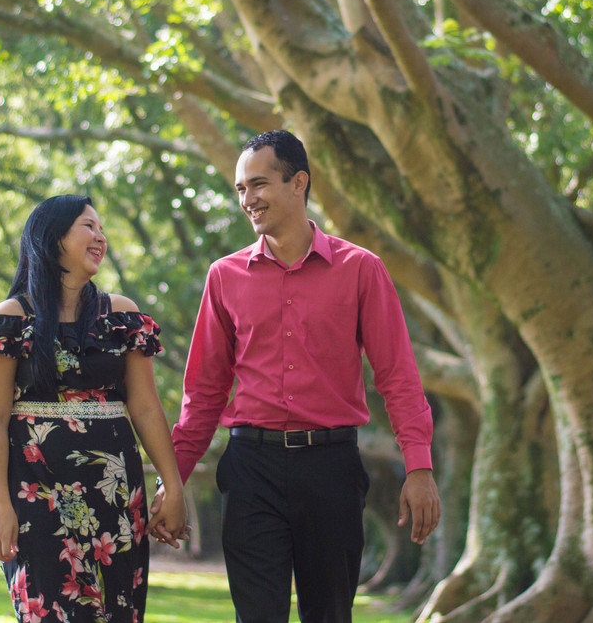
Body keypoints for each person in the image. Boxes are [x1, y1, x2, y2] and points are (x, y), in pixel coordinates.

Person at [156, 130, 441, 623]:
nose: (248, 199)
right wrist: (174, 479)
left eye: (259, 184)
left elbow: (398, 376)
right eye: (241, 188)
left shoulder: (361, 269)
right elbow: (203, 392)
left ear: (299, 182)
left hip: (331, 469)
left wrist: (418, 466)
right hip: (251, 470)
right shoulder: (224, 276)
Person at [0, 194, 188, 622]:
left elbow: (145, 408)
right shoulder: (9, 320)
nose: (100, 237)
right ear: (53, 238)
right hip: (36, 494)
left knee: (117, 612)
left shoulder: (122, 316)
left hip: (115, 493)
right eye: (89, 226)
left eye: (102, 229)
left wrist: (172, 487)